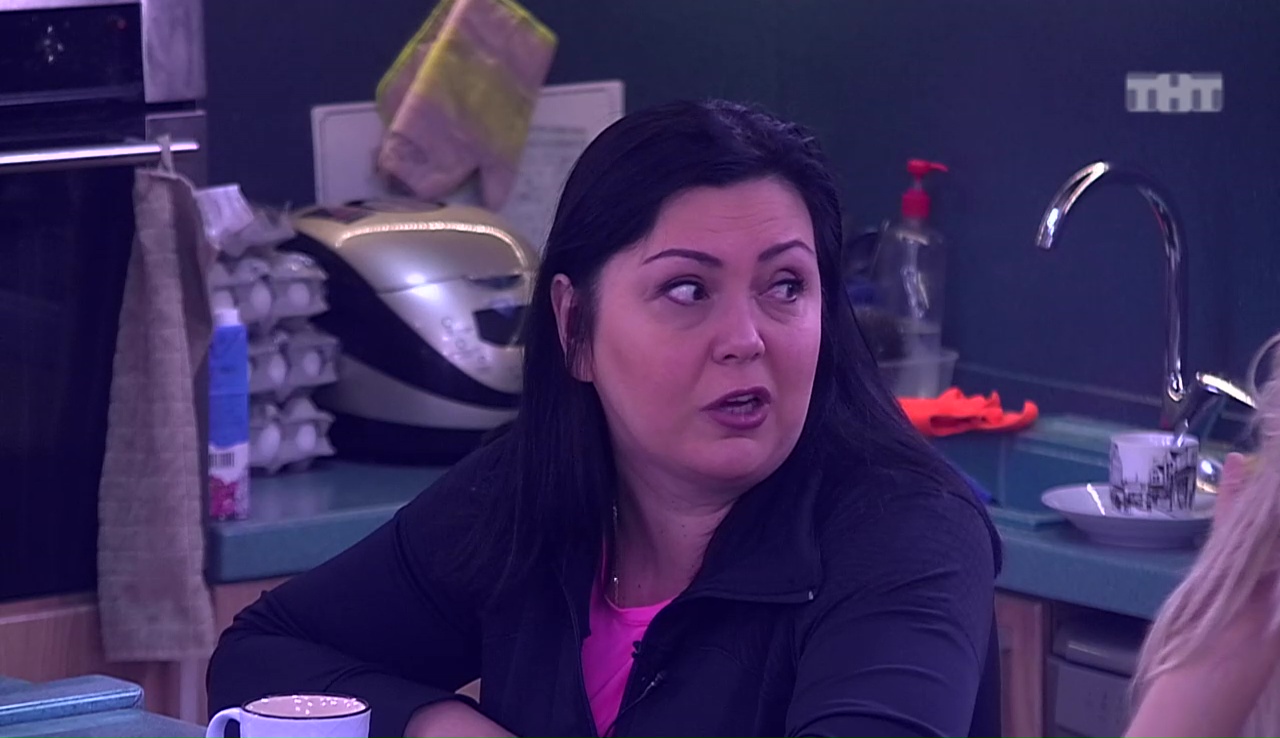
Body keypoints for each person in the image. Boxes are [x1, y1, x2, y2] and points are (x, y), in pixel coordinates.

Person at [206, 99, 1003, 738]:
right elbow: (262, 655)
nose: (746, 338)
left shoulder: (910, 531)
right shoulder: (528, 490)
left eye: (786, 285)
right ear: (574, 327)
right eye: (687, 290)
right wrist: (436, 723)